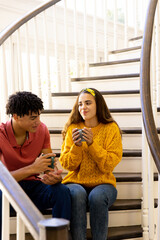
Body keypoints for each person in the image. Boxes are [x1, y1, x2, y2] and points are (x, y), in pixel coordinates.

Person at [0, 91, 71, 239]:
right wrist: (33, 168)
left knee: (61, 191)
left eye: (39, 115)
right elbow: (2, 180)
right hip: (9, 190)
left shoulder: (42, 130)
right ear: (16, 116)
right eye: (33, 117)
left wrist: (53, 176)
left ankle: (60, 236)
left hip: (33, 187)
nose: (38, 121)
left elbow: (49, 167)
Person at [59, 88, 123, 240]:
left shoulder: (111, 128)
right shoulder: (73, 128)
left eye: (88, 103)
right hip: (75, 181)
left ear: (98, 105)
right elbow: (67, 165)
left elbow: (108, 165)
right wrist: (76, 146)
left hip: (104, 183)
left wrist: (92, 144)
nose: (83, 107)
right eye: (80, 104)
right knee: (77, 194)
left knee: (98, 197)